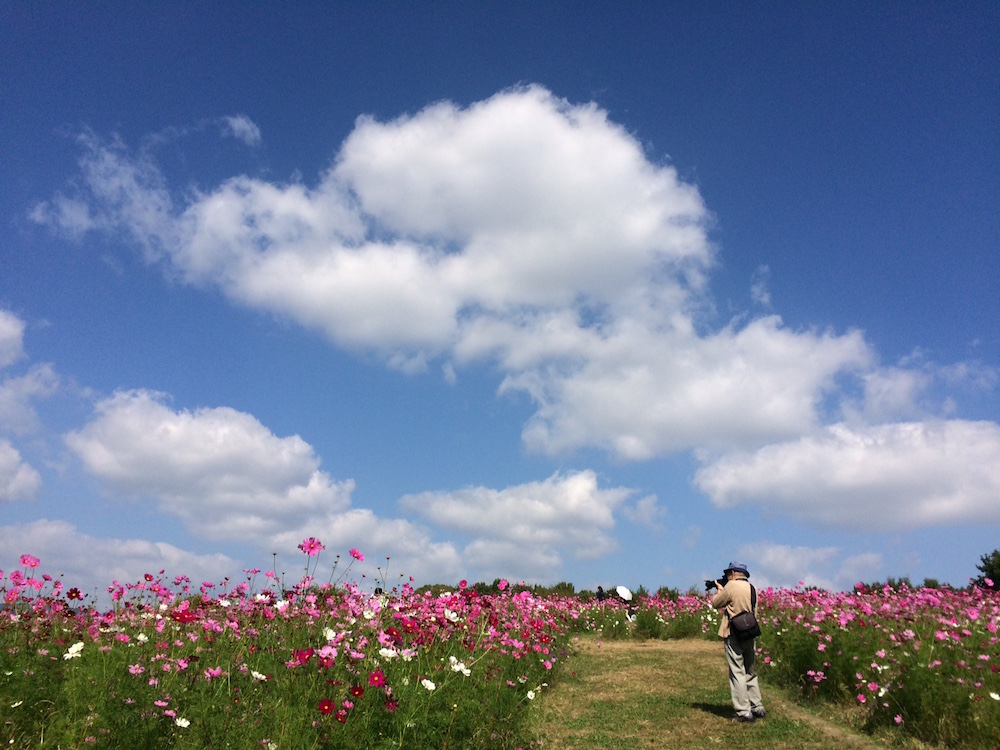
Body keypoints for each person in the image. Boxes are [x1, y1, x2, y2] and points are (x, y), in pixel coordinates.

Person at [710, 561, 765, 722]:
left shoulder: (731, 586)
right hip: (750, 632)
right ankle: (757, 706)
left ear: (733, 573)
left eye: (728, 573)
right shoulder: (753, 588)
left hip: (733, 632)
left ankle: (743, 711)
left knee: (737, 671)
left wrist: (720, 590)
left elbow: (716, 603)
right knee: (750, 670)